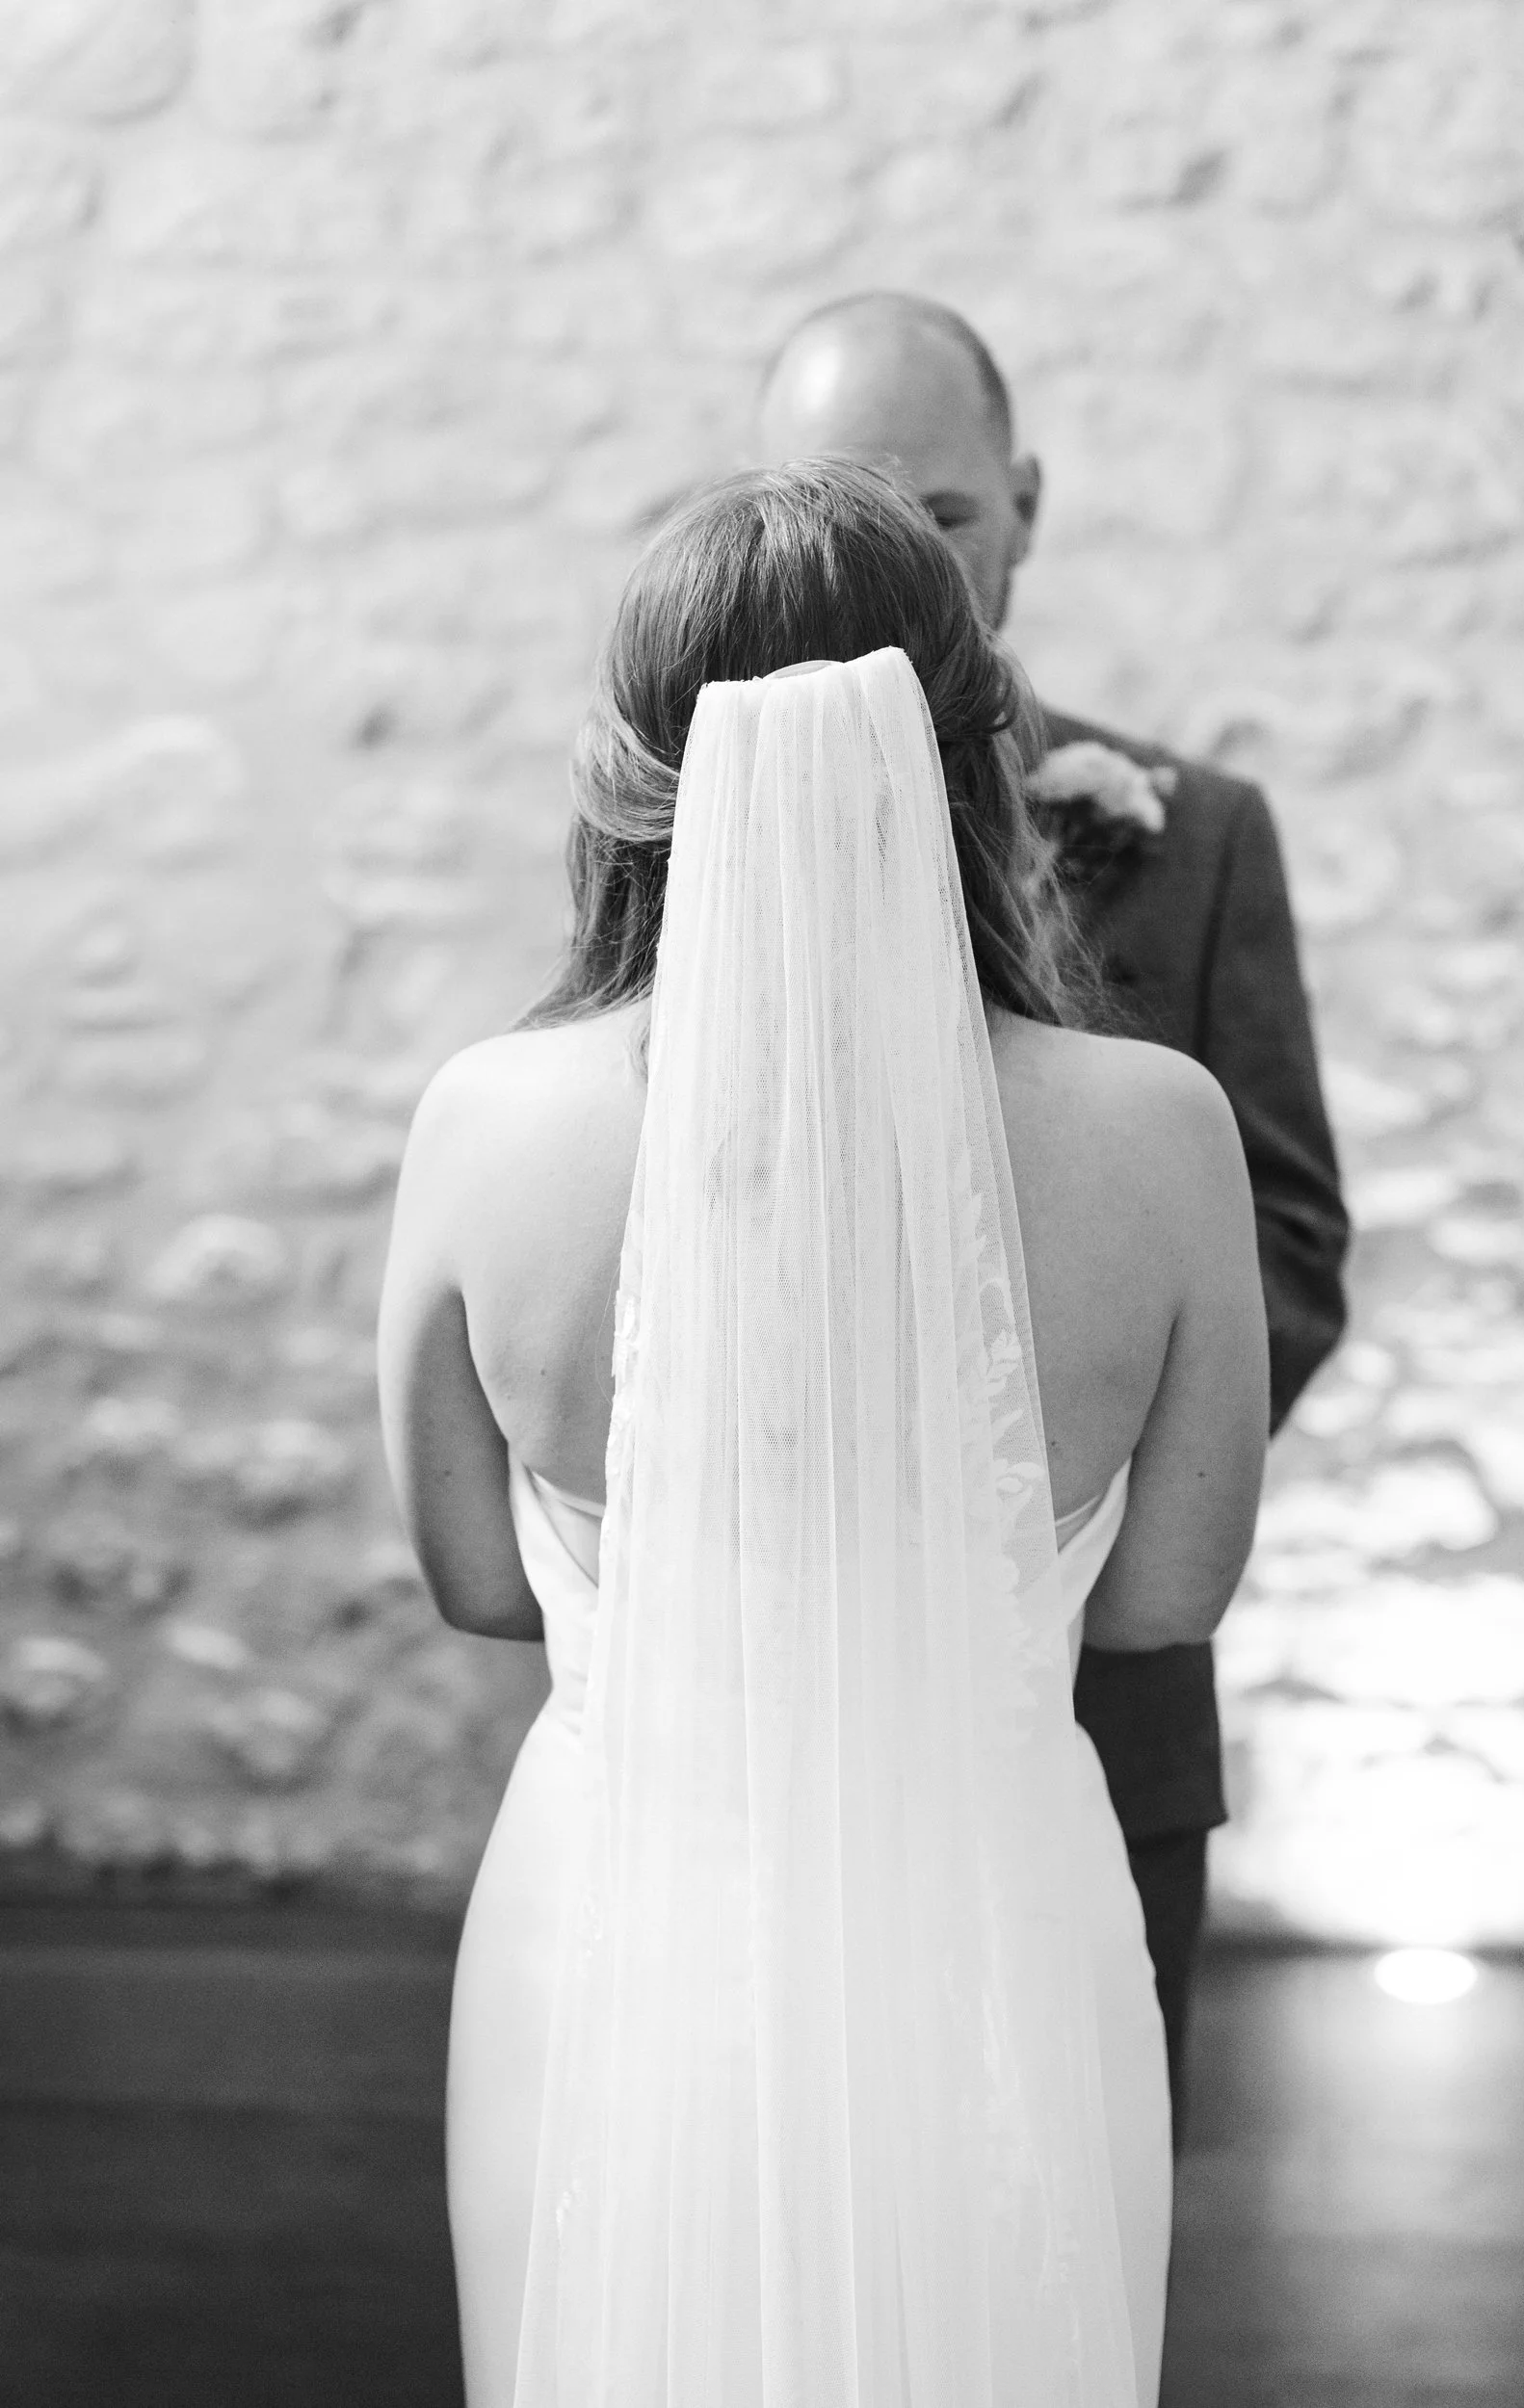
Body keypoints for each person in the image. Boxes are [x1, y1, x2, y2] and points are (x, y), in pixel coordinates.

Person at [377, 460, 1268, 2406]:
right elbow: (1158, 1599)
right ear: (973, 758)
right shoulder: (1156, 1131)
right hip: (990, 1931)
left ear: (627, 769)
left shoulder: (484, 1122)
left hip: (617, 1920)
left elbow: (467, 1572)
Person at [757, 295, 1349, 2137]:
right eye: (836, 510)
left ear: (1023, 505)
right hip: (778, 1700)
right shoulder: (686, 822)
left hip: (1099, 1698)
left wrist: (1057, 1483)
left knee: (1082, 2223)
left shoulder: (1193, 833)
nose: (886, 568)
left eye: (931, 519)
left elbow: (1287, 1247)